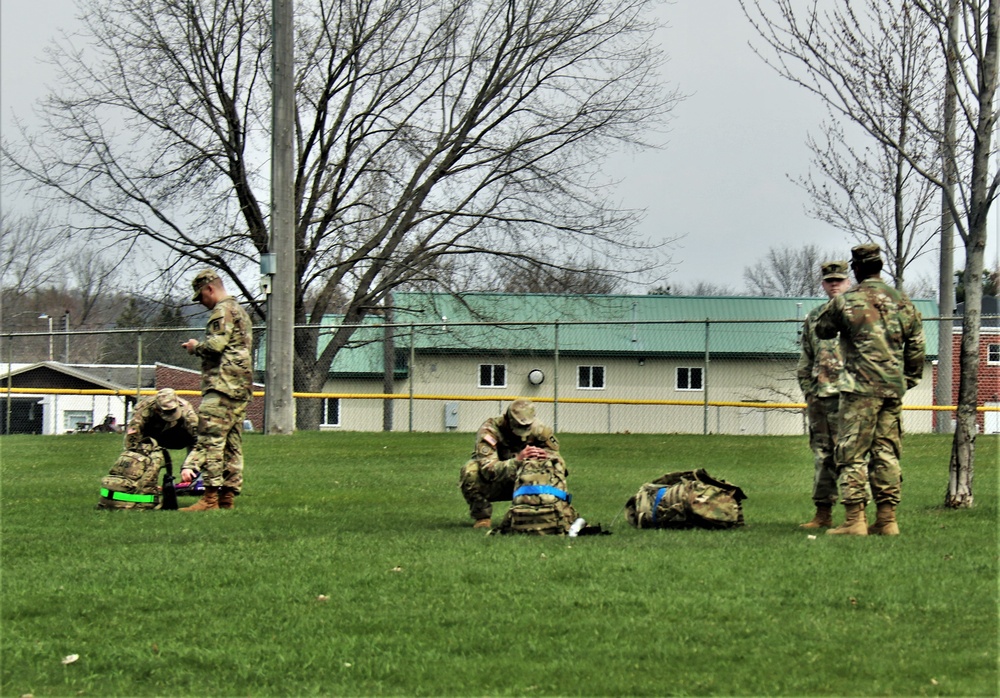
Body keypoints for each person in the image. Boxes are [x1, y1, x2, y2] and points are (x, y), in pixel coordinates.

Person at [814, 243, 925, 536]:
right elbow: (916, 344)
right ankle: (887, 520)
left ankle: (854, 520)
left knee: (851, 452)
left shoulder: (847, 301)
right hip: (892, 388)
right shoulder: (903, 302)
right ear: (880, 267)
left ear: (857, 269)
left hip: (859, 389)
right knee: (886, 452)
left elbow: (823, 330)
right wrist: (909, 377)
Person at [179, 269, 254, 511]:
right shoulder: (241, 311)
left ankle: (209, 498)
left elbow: (216, 345)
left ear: (209, 288)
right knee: (233, 444)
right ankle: (227, 499)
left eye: (201, 297)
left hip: (222, 385)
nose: (202, 302)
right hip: (240, 387)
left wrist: (194, 347)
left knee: (211, 440)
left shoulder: (221, 311)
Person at [795, 260, 851, 528]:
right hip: (820, 399)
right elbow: (806, 359)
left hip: (851, 398)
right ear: (823, 284)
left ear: (848, 282)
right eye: (830, 281)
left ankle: (857, 516)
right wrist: (809, 391)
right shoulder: (814, 317)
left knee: (852, 456)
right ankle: (823, 514)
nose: (835, 285)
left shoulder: (858, 314)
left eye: (839, 280)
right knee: (822, 456)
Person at [458, 399, 559, 529]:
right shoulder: (490, 430)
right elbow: (487, 469)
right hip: (498, 480)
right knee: (470, 470)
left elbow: (556, 458)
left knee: (553, 467)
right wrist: (518, 460)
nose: (522, 436)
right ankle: (482, 517)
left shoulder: (540, 429)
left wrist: (543, 457)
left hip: (528, 481)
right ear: (507, 419)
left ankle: (543, 515)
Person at [123, 388, 199, 452]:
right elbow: (132, 436)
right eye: (167, 412)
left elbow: (198, 437)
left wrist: (189, 466)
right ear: (157, 409)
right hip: (151, 436)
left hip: (178, 436)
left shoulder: (186, 409)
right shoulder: (143, 409)